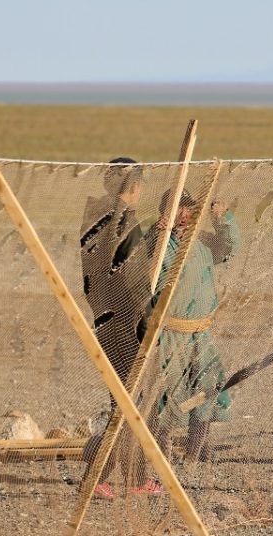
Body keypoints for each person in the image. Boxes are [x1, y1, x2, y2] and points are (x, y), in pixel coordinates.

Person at [79, 157, 160, 498]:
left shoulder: (96, 214)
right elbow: (130, 274)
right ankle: (97, 478)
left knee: (127, 402)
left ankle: (134, 477)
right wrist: (151, 310)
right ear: (136, 187)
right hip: (126, 321)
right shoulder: (123, 219)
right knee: (131, 403)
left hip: (104, 316)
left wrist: (153, 234)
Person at [152, 188, 241, 463]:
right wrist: (160, 237)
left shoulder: (201, 243)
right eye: (176, 208)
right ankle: (161, 451)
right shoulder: (156, 243)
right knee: (169, 393)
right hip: (171, 334)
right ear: (163, 214)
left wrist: (223, 217)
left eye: (187, 208)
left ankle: (195, 448)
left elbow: (229, 248)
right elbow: (156, 267)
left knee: (207, 387)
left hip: (200, 333)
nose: (182, 214)